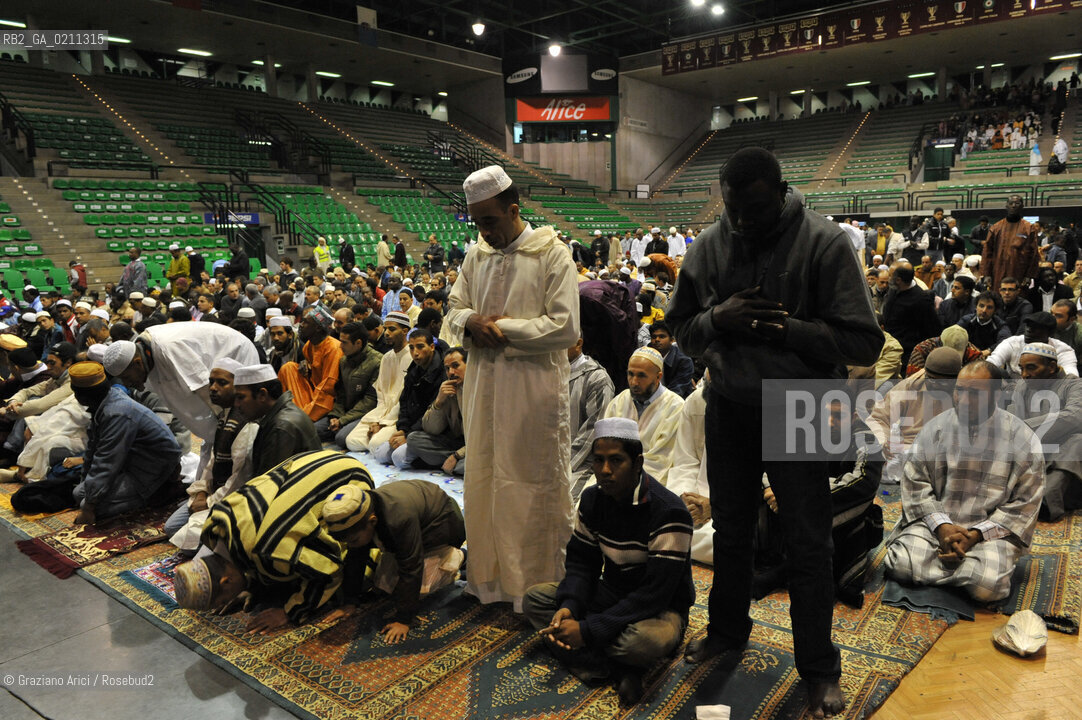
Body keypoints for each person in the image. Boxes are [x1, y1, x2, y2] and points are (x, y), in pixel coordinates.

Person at [667, 147, 883, 717]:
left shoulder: (825, 242)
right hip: (730, 403)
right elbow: (683, 334)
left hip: (803, 403)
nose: (741, 222)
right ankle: (726, 633)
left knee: (808, 541)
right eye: (732, 208)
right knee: (732, 531)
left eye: (753, 209)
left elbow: (865, 344)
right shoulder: (711, 243)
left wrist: (789, 332)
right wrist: (718, 319)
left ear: (781, 191)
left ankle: (818, 669)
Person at [445, 165, 579, 611]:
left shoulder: (551, 253)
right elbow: (454, 310)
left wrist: (501, 329)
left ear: (513, 210)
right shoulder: (475, 255)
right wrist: (470, 322)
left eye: (491, 221)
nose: (484, 232)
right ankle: (488, 582)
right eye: (477, 223)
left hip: (531, 391)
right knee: (484, 480)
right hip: (483, 388)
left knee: (528, 486)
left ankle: (534, 589)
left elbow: (564, 328)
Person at [522, 417, 694, 706]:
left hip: (660, 608)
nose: (605, 471)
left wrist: (588, 630)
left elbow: (654, 594)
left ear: (637, 463)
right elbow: (581, 564)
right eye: (598, 460)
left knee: (644, 642)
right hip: (611, 593)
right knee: (535, 601)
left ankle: (596, 658)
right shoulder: (591, 500)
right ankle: (621, 669)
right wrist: (569, 605)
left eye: (616, 461)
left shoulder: (669, 512)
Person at [884, 361, 1044, 603]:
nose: (964, 400)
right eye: (960, 390)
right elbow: (916, 484)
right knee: (900, 564)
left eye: (976, 393)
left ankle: (950, 569)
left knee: (986, 586)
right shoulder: (934, 430)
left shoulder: (1022, 439)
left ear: (996, 395)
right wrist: (943, 528)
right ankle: (960, 573)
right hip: (934, 527)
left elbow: (1024, 504)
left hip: (989, 535)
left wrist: (974, 535)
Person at [172, 450, 375, 632]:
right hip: (319, 458)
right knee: (276, 574)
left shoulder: (269, 550)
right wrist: (249, 585)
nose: (228, 601)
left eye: (225, 597)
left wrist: (289, 612)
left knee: (354, 570)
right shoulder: (214, 525)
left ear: (227, 581)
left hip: (349, 477)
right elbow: (245, 560)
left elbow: (328, 571)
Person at [321, 479, 465, 643]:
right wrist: (350, 601)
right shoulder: (364, 512)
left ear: (373, 521)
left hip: (443, 525)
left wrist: (404, 619)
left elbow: (412, 567)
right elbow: (355, 557)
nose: (351, 545)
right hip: (414, 524)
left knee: (421, 589)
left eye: (353, 540)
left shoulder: (398, 518)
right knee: (384, 584)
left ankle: (460, 556)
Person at [100, 323, 259, 447]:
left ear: (137, 363)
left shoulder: (167, 348)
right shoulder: (143, 352)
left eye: (127, 377)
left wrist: (226, 427)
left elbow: (202, 386)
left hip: (234, 353)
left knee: (237, 427)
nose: (128, 384)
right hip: (210, 365)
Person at [68, 361, 184, 525]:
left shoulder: (117, 412)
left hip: (155, 470)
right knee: (79, 493)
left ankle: (162, 491)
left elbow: (106, 462)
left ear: (80, 396)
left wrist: (88, 507)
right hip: (134, 464)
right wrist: (86, 487)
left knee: (94, 507)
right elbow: (93, 450)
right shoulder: (105, 401)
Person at [164, 359, 257, 551]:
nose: (213, 388)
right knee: (172, 528)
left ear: (238, 387)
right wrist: (201, 492)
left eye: (221, 383)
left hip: (232, 498)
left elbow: (239, 480)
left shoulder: (246, 423)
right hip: (213, 492)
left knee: (187, 544)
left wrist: (207, 502)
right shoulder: (225, 416)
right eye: (211, 382)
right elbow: (213, 463)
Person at [600, 347, 684, 484]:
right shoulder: (619, 401)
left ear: (658, 377)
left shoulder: (675, 407)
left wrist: (623, 475)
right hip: (612, 474)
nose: (633, 382)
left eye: (641, 376)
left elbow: (661, 460)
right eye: (630, 374)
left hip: (654, 478)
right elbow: (605, 446)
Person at [371, 328, 445, 467]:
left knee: (399, 458)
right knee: (380, 453)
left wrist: (408, 435)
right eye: (411, 348)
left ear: (432, 347)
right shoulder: (413, 369)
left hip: (429, 431)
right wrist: (403, 429)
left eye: (420, 347)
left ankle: (435, 461)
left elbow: (432, 413)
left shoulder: (441, 373)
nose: (415, 353)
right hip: (411, 429)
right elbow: (404, 402)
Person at [232, 364, 321, 477]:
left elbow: (268, 484)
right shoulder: (278, 416)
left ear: (262, 395)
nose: (236, 404)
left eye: (241, 397)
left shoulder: (282, 426)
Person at [344, 312, 413, 451]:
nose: (386, 333)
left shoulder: (412, 357)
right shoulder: (386, 357)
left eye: (392, 329)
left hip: (398, 417)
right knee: (351, 441)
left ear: (405, 331)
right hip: (381, 412)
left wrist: (382, 423)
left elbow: (404, 399)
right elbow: (380, 394)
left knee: (375, 444)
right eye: (385, 329)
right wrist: (377, 420)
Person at [667, 377, 715, 565]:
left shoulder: (751, 400)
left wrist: (715, 506)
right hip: (697, 497)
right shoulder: (696, 401)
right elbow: (685, 461)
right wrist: (686, 497)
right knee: (659, 526)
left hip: (732, 507)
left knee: (722, 542)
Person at [316, 321, 382, 448]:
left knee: (341, 438)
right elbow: (340, 394)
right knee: (313, 430)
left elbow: (370, 401)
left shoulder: (377, 363)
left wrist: (343, 420)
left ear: (358, 343)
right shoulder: (343, 361)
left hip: (365, 414)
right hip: (344, 413)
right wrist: (335, 416)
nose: (340, 346)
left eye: (344, 342)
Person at [405, 346, 469, 476]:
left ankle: (452, 463)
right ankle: (452, 464)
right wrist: (439, 401)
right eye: (447, 368)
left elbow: (484, 439)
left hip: (479, 447)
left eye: (456, 365)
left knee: (472, 463)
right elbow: (431, 429)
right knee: (414, 439)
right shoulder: (449, 388)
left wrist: (457, 456)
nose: (451, 372)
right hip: (458, 443)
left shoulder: (481, 391)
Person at [277, 306, 344, 422]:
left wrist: (304, 416)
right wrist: (305, 364)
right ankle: (288, 411)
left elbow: (328, 387)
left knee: (298, 420)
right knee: (288, 368)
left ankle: (298, 418)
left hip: (327, 398)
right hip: (313, 390)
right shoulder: (309, 345)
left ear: (317, 328)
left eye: (305, 322)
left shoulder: (333, 348)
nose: (301, 325)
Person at [568, 336, 615, 500]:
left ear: (579, 343)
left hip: (582, 462)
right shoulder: (549, 371)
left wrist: (564, 463)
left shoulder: (597, 378)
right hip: (550, 457)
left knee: (562, 502)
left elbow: (593, 430)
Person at [989, 311, 1079, 378]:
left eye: (1035, 327)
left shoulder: (1063, 350)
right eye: (1028, 325)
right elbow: (991, 363)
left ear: (1050, 333)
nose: (1028, 330)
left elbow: (1071, 379)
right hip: (1012, 391)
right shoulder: (1012, 343)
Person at [883, 264, 941, 364]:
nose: (888, 278)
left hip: (907, 354)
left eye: (890, 275)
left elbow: (932, 329)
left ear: (898, 280)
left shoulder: (921, 299)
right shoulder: (894, 289)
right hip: (888, 347)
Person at [981, 195, 1038, 292]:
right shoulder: (996, 227)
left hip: (1019, 272)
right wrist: (987, 274)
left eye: (1017, 203)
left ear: (1022, 206)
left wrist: (1029, 275)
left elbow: (1034, 254)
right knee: (998, 298)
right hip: (997, 272)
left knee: (1017, 299)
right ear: (1006, 206)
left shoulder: (1029, 228)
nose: (1014, 206)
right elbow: (987, 252)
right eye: (1011, 203)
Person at [648, 321, 694, 398]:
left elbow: (677, 392)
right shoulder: (646, 354)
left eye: (662, 336)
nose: (657, 340)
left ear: (672, 340)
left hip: (677, 403)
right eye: (654, 337)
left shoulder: (684, 361)